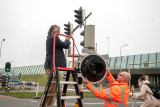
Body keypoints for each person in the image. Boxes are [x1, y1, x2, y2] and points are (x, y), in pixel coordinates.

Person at [39, 25, 71, 107]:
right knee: (51, 89)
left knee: (53, 89)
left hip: (52, 66)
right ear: (54, 32)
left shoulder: (52, 38)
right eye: (58, 32)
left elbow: (60, 45)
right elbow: (65, 45)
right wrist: (67, 40)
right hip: (51, 66)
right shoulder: (53, 38)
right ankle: (42, 105)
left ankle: (48, 105)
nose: (59, 34)